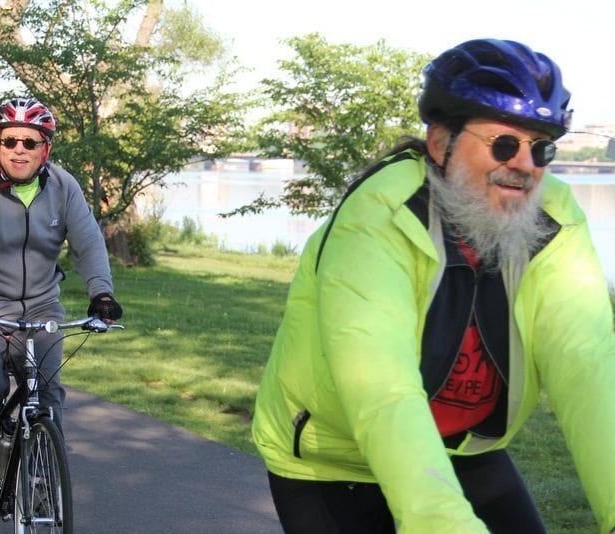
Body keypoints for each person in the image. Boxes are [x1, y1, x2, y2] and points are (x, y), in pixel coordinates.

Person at [251, 38, 615, 533]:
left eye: (541, 148)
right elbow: (382, 387)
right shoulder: (379, 216)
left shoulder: (553, 220)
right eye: (504, 144)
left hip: (459, 447)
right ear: (441, 142)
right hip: (333, 459)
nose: (526, 165)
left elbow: (587, 364)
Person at [0, 96, 123, 516]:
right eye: (10, 141)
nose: (19, 150)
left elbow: (89, 244)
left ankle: (40, 478)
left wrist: (102, 294)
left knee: (48, 394)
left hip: (40, 310)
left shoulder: (64, 187)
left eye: (30, 142)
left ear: (45, 148)